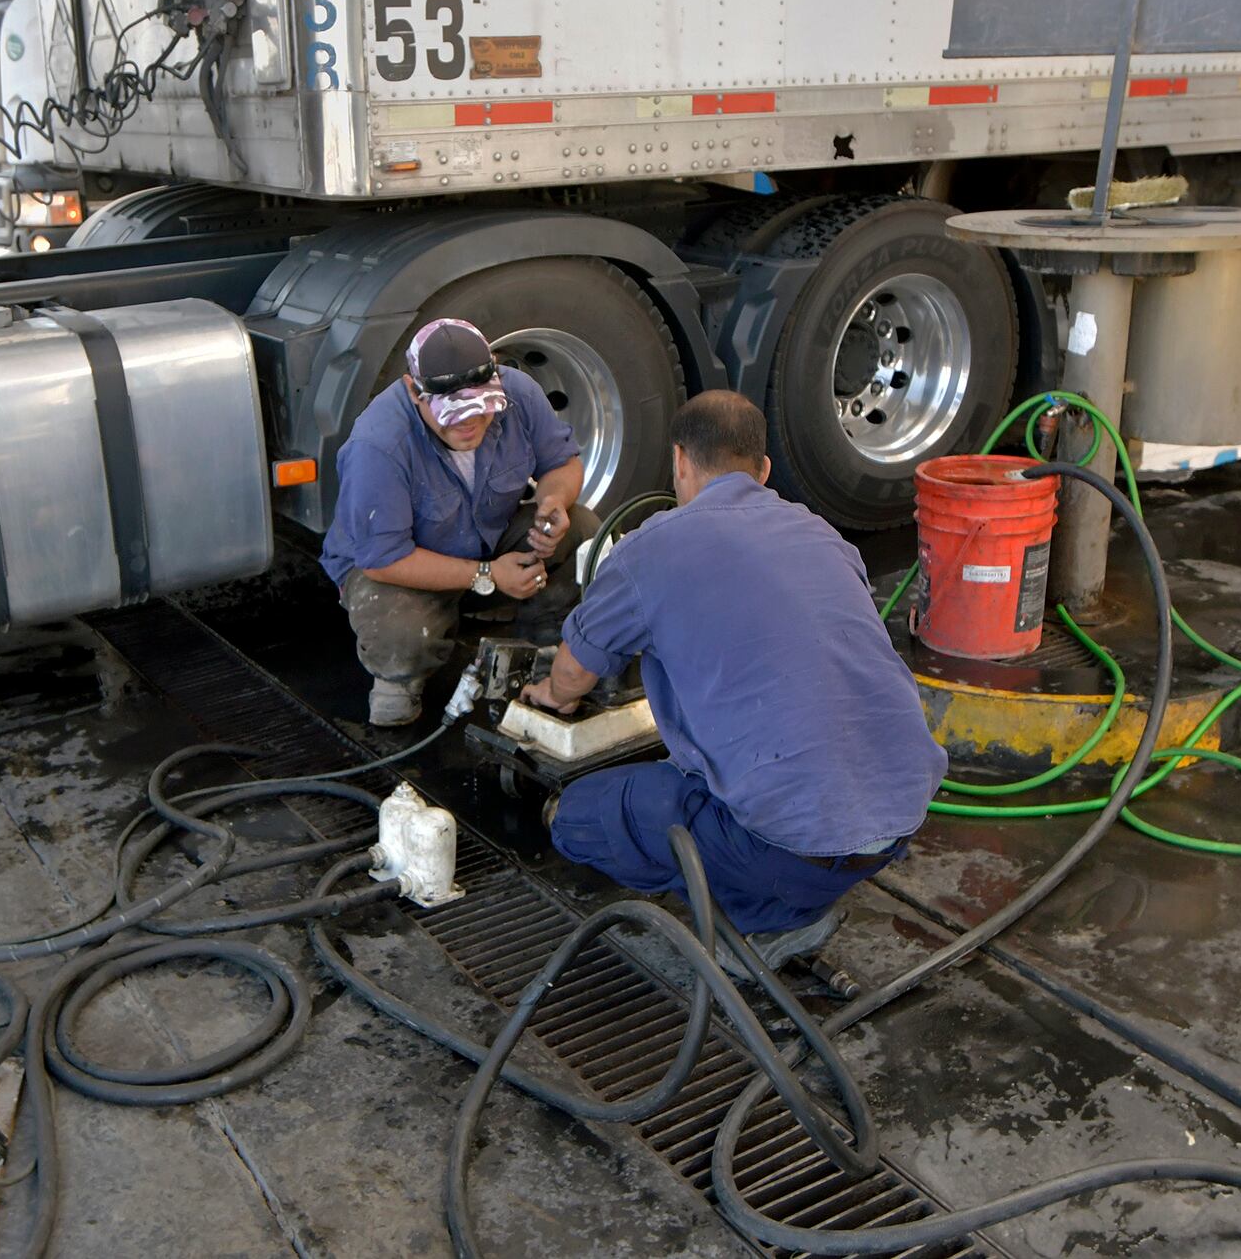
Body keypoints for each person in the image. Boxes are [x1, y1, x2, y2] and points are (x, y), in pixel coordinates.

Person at [521, 391, 944, 973]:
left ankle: (765, 923)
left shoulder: (652, 548)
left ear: (679, 463)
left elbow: (572, 672)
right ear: (764, 470)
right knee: (756, 793)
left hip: (791, 846)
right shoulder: (821, 534)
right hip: (898, 818)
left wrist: (549, 696)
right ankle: (783, 894)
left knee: (578, 816)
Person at [320, 318, 601, 727]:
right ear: (416, 393)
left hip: (486, 542)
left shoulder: (517, 392)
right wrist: (487, 574)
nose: (469, 425)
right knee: (402, 633)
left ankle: (547, 649)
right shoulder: (377, 445)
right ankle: (400, 680)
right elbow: (382, 559)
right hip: (396, 567)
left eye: (480, 411)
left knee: (583, 530)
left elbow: (562, 462)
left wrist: (553, 502)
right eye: (454, 415)